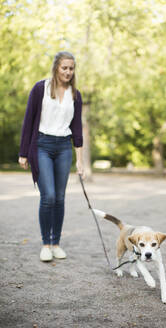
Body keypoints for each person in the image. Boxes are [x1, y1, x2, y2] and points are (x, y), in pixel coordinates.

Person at [18, 51, 84, 262]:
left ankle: (56, 244)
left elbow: (77, 129)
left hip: (64, 147)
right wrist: (23, 152)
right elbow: (28, 121)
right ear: (56, 67)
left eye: (71, 68)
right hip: (42, 146)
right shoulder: (41, 89)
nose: (68, 72)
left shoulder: (76, 94)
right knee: (49, 197)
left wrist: (80, 161)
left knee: (61, 198)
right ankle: (46, 244)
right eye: (64, 67)